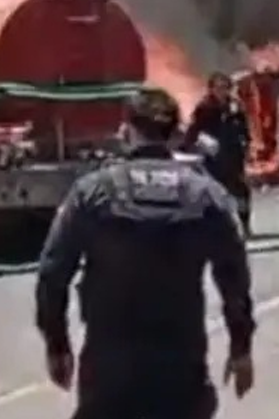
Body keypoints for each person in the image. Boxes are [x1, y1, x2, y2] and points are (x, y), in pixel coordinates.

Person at [35, 88, 256, 419]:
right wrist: (241, 348)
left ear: (126, 132)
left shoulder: (94, 192)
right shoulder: (205, 194)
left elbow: (53, 272)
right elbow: (233, 275)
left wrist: (57, 345)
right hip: (181, 369)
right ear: (176, 135)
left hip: (110, 372)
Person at [184, 72, 254, 238]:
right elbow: (192, 134)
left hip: (234, 156)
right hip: (213, 160)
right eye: (219, 88)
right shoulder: (204, 108)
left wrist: (247, 145)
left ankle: (245, 226)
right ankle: (215, 231)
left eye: (226, 87)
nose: (223, 91)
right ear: (211, 89)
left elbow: (244, 129)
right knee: (213, 196)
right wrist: (203, 143)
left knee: (242, 192)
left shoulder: (235, 106)